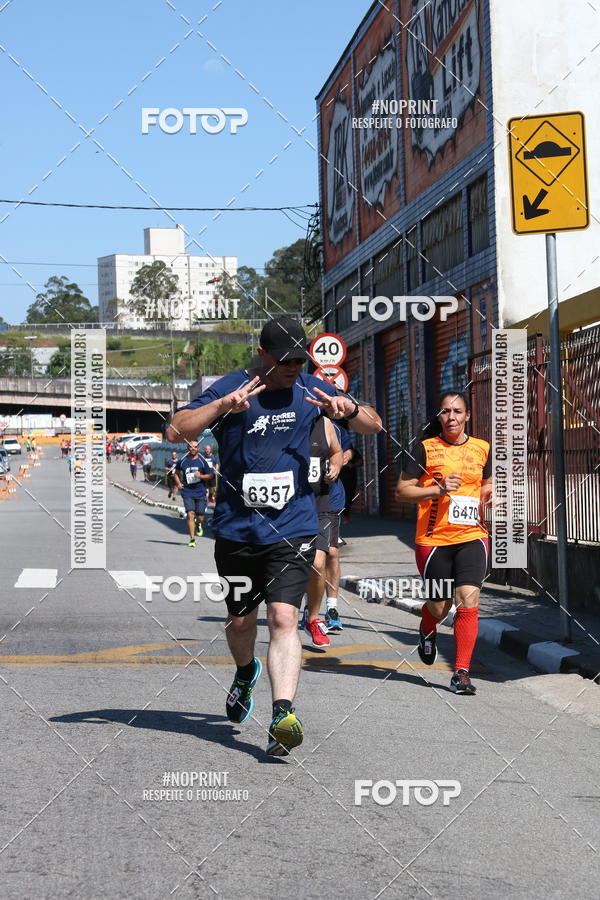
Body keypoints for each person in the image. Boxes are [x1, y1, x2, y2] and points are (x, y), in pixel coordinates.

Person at [167, 315, 382, 756]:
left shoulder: (311, 388)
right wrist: (221, 407)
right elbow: (176, 429)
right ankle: (245, 670)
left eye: (299, 360)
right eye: (284, 360)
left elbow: (374, 425)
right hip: (237, 530)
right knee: (241, 621)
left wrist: (349, 410)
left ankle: (282, 714)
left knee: (284, 618)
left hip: (294, 527)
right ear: (262, 354)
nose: (293, 367)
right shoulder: (236, 386)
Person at [395, 391, 492, 695]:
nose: (451, 417)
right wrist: (437, 489)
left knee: (467, 599)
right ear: (439, 416)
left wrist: (490, 495)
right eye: (446, 412)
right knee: (439, 607)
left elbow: (487, 483)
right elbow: (402, 491)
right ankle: (427, 626)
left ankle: (461, 673)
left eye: (457, 411)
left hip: (472, 536)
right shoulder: (425, 449)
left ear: (467, 416)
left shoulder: (482, 448)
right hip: (434, 540)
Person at [300, 415, 344, 647]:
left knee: (319, 561)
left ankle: (313, 617)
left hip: (321, 504)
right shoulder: (279, 420)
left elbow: (339, 451)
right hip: (288, 506)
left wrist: (336, 464)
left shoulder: (324, 423)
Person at [172, 441, 213, 545]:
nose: (193, 448)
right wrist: (179, 483)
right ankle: (192, 539)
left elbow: (210, 475)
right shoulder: (182, 461)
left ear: (198, 448)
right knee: (190, 514)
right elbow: (176, 473)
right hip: (187, 491)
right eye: (191, 447)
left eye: (195, 447)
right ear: (188, 448)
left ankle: (198, 524)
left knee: (200, 516)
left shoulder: (202, 461)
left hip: (200, 491)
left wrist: (201, 476)